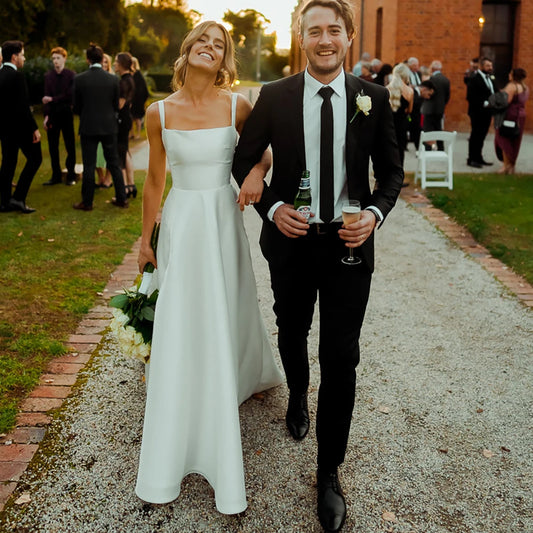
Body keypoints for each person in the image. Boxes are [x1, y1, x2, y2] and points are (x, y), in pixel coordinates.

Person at [233, 1, 404, 530]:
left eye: (334, 30)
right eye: (314, 31)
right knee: (291, 328)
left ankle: (329, 471)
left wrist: (374, 214)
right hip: (292, 241)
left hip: (349, 247)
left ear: (348, 37)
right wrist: (272, 206)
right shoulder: (275, 96)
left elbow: (392, 175)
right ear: (301, 39)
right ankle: (298, 393)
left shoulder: (373, 99)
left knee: (342, 355)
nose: (325, 39)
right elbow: (243, 160)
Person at [135, 21, 283, 514]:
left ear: (224, 60)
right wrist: (146, 239)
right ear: (188, 49)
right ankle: (183, 387)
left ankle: (234, 376)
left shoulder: (237, 105)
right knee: (183, 311)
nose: (210, 48)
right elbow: (155, 180)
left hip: (222, 218)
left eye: (219, 45)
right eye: (203, 40)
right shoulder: (158, 112)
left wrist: (258, 176)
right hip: (182, 220)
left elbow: (262, 155)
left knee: (229, 302)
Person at [73, 43, 128, 210]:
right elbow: (115, 105)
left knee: (89, 165)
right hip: (109, 126)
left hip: (88, 126)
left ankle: (87, 202)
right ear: (101, 58)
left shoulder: (80, 79)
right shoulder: (113, 79)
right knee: (114, 163)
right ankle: (121, 199)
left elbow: (76, 107)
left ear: (87, 59)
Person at [0, 40, 42, 213]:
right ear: (14, 56)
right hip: (19, 128)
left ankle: (4, 202)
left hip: (4, 129)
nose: (24, 58)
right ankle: (18, 198)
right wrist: (34, 128)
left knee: (8, 162)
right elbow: (23, 106)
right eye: (22, 55)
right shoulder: (17, 76)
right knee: (35, 158)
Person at [42, 46, 77, 186]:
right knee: (53, 146)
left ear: (64, 59)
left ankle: (71, 175)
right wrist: (46, 116)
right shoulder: (48, 76)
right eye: (53, 58)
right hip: (52, 115)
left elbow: (70, 96)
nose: (55, 61)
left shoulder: (71, 75)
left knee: (70, 145)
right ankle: (55, 175)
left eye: (58, 58)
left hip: (66, 114)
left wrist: (52, 99)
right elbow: (45, 97)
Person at [494, 68, 529, 174]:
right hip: (520, 116)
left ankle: (506, 165)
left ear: (513, 76)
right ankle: (512, 165)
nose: (509, 74)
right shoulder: (525, 87)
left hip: (509, 115)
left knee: (504, 137)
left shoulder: (512, 86)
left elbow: (505, 101)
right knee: (516, 139)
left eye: (510, 73)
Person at [114, 52, 136, 198]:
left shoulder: (123, 82)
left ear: (121, 64)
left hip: (122, 120)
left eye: (116, 61)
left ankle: (124, 190)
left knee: (120, 155)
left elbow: (120, 104)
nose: (114, 64)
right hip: (127, 118)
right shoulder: (131, 79)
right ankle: (131, 185)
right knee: (125, 152)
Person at [466, 57, 496, 168]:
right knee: (475, 135)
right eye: (488, 66)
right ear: (481, 66)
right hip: (477, 112)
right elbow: (470, 97)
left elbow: (494, 91)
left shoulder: (491, 78)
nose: (490, 68)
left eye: (491, 66)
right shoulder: (474, 78)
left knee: (482, 135)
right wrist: (485, 103)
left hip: (487, 113)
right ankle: (471, 158)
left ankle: (479, 157)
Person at [387, 62, 414, 168]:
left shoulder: (387, 89)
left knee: (388, 151)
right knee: (401, 151)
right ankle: (399, 179)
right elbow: (409, 110)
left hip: (389, 125)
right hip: (402, 124)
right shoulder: (409, 91)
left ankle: (386, 179)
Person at [421, 60, 450, 150]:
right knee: (438, 129)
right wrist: (442, 104)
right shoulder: (446, 80)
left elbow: (425, 92)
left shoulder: (431, 79)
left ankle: (428, 148)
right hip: (440, 109)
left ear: (432, 68)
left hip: (429, 109)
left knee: (427, 130)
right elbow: (447, 96)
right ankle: (441, 148)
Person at [95, 53, 113, 188]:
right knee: (95, 152)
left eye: (106, 62)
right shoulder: (93, 79)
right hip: (95, 120)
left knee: (108, 152)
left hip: (108, 121)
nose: (104, 64)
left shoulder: (113, 79)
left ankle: (108, 178)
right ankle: (100, 177)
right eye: (102, 62)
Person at [130, 56, 149, 139]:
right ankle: (131, 133)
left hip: (138, 101)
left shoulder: (138, 75)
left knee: (137, 118)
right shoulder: (130, 74)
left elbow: (143, 90)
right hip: (131, 100)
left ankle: (138, 133)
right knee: (130, 118)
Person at [407, 57, 422, 149]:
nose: (417, 67)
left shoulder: (418, 74)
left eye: (417, 65)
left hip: (418, 100)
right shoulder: (407, 74)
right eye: (415, 65)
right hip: (411, 99)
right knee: (410, 121)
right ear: (410, 66)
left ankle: (416, 141)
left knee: (417, 122)